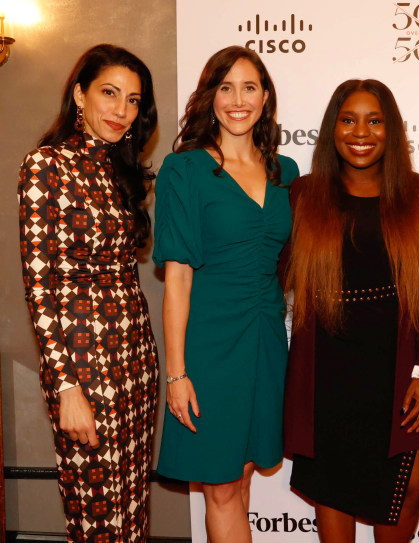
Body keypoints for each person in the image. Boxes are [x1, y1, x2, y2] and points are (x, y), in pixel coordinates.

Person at [152, 46, 299, 543]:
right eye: (226, 87)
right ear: (209, 96)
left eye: (250, 87)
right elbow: (177, 279)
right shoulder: (185, 169)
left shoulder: (287, 173)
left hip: (265, 341)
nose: (238, 100)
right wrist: (177, 372)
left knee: (240, 478)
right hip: (209, 347)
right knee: (218, 487)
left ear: (266, 97)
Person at [283, 79, 419, 543]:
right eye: (348, 119)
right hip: (326, 371)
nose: (361, 131)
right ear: (333, 129)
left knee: (408, 490)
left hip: (400, 368)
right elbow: (263, 276)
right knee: (335, 493)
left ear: (392, 131)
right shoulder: (303, 196)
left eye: (375, 120)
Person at [18, 44, 159, 542]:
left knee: (133, 515)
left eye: (134, 100)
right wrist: (65, 387)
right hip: (84, 367)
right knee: (99, 522)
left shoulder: (118, 170)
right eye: (110, 93)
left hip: (137, 362)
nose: (122, 110)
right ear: (80, 94)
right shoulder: (45, 166)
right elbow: (40, 285)